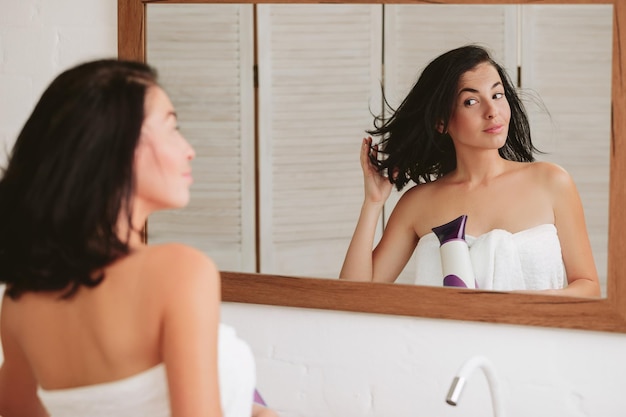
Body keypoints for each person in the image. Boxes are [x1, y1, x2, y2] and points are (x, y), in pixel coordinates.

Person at [0, 59, 277, 417]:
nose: (189, 149)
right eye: (172, 128)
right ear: (119, 145)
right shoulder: (179, 270)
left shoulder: (22, 300)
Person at [339, 44, 600, 297]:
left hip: (535, 339)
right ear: (441, 122)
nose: (492, 111)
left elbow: (588, 286)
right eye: (471, 101)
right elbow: (353, 297)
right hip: (443, 341)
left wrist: (520, 306)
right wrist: (373, 204)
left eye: (497, 95)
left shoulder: (551, 182)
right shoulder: (418, 203)